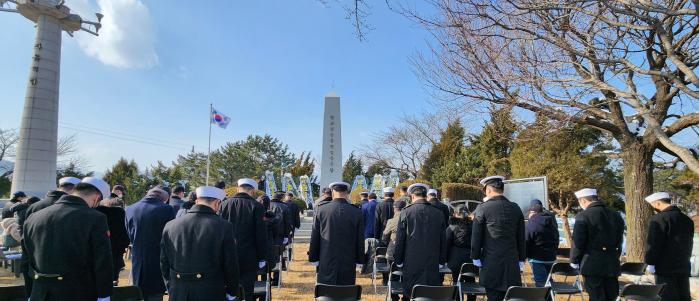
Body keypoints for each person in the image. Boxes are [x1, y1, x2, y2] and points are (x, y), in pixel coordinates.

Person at [23, 177, 113, 301]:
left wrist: (30, 293)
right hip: (79, 293)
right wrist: (104, 295)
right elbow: (102, 260)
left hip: (39, 293)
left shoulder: (34, 217)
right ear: (96, 198)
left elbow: (26, 260)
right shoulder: (95, 218)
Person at [160, 186, 239, 301]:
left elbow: (164, 262)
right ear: (217, 203)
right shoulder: (223, 226)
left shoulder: (171, 225)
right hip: (211, 291)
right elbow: (230, 263)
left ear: (197, 201)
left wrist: (172, 285)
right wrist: (232, 291)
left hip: (179, 290)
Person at [471, 176, 525, 301]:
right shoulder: (515, 208)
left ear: (488, 190)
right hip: (512, 262)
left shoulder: (483, 208)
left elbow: (476, 235)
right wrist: (521, 258)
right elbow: (521, 236)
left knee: (494, 297)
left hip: (491, 263)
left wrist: (475, 256)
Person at [394, 183, 447, 301]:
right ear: (425, 195)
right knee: (429, 294)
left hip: (411, 261)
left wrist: (398, 260)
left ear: (412, 196)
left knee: (410, 294)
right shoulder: (438, 213)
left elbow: (400, 240)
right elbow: (443, 240)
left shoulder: (406, 212)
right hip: (432, 261)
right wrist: (442, 261)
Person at [570, 188, 624, 301]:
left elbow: (578, 242)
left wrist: (574, 260)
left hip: (592, 263)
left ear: (583, 201)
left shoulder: (583, 216)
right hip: (612, 262)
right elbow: (620, 239)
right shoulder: (616, 215)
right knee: (611, 296)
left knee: (596, 296)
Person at [220, 178, 267, 301]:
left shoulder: (223, 204)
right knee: (247, 291)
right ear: (253, 191)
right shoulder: (257, 206)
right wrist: (262, 256)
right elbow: (260, 234)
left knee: (226, 290)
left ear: (237, 189)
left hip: (225, 254)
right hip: (248, 255)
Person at [125, 186, 176, 301]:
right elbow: (170, 235)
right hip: (158, 259)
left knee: (138, 293)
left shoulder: (130, 208)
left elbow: (129, 233)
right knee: (155, 294)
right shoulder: (167, 209)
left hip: (137, 258)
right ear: (165, 199)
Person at [309, 182, 364, 285]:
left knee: (326, 291)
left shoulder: (321, 210)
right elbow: (360, 239)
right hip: (348, 259)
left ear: (333, 192)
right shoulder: (356, 212)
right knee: (346, 292)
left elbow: (315, 236)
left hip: (326, 257)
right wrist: (360, 260)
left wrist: (313, 257)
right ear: (347, 193)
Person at [644, 192, 693, 301]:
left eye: (652, 205)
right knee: (683, 297)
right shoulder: (687, 220)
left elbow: (654, 243)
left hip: (665, 267)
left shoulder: (658, 219)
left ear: (657, 203)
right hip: (683, 266)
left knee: (668, 297)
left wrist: (650, 261)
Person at [96, 197, 131, 285]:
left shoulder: (97, 213)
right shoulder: (122, 215)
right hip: (116, 256)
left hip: (98, 256)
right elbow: (126, 238)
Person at [525, 199, 559, 287]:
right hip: (551, 257)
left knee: (541, 283)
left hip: (537, 258)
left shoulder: (532, 223)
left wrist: (525, 255)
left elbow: (527, 240)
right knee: (549, 281)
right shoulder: (552, 221)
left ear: (532, 212)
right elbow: (556, 238)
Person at [446, 204, 475, 301]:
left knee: (456, 281)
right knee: (471, 280)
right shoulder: (474, 225)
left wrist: (445, 259)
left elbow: (447, 243)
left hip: (456, 258)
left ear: (456, 214)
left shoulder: (452, 226)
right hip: (471, 258)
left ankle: (458, 299)